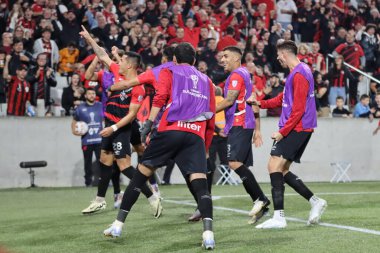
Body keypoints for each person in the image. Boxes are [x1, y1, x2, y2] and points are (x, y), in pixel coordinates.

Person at [103, 42, 216, 250]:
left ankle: (117, 225)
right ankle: (208, 234)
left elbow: (160, 96)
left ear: (174, 59)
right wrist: (205, 147)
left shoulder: (168, 70)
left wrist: (148, 124)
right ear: (194, 60)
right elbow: (211, 118)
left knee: (140, 176)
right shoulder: (207, 80)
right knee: (201, 186)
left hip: (170, 130)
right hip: (195, 135)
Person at [79, 26, 161, 216]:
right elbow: (102, 55)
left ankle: (152, 197)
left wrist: (114, 127)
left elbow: (132, 116)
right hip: (110, 123)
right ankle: (100, 200)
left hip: (121, 126)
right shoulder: (117, 72)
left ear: (130, 65)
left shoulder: (138, 87)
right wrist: (90, 39)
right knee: (104, 160)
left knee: (124, 165)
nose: (118, 61)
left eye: (122, 60)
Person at [251, 40, 327, 229]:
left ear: (284, 54)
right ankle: (315, 201)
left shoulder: (300, 74)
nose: (277, 58)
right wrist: (261, 103)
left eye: (278, 55)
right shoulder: (298, 72)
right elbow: (283, 99)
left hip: (297, 127)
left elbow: (299, 110)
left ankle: (279, 217)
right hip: (300, 127)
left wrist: (282, 132)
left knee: (273, 165)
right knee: (281, 170)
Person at [215, 46, 270, 224]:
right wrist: (257, 128)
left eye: (226, 56)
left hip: (241, 123)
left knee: (234, 162)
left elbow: (230, 100)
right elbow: (252, 101)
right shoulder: (243, 75)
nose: (222, 59)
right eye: (222, 56)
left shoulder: (237, 75)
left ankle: (260, 198)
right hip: (242, 124)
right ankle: (262, 205)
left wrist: (204, 112)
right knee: (238, 164)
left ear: (236, 59)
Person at [72, 88, 103, 187]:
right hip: (87, 141)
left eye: (93, 93)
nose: (91, 95)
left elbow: (106, 119)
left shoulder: (100, 106)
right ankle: (88, 182)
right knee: (87, 163)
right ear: (85, 96)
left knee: (102, 162)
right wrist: (75, 131)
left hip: (99, 140)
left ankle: (104, 181)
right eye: (89, 93)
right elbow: (74, 121)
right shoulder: (80, 108)